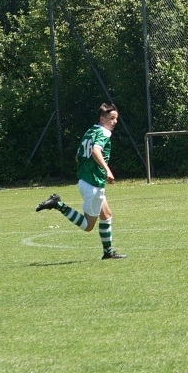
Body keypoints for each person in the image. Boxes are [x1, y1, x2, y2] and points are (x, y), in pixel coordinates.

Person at [35, 103, 126, 260]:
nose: (115, 121)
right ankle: (58, 204)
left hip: (86, 180)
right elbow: (95, 151)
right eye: (112, 118)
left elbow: (78, 156)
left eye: (116, 118)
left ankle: (108, 252)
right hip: (93, 184)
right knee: (88, 226)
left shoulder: (91, 131)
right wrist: (107, 170)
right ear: (102, 118)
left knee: (106, 215)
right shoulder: (104, 133)